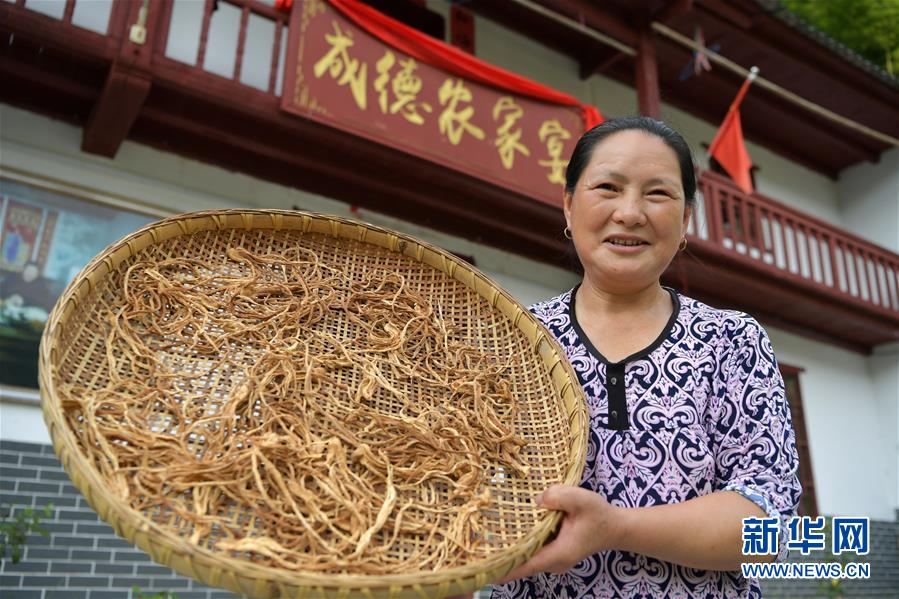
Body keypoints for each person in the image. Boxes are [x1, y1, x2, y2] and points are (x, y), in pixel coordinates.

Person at [487, 117, 802, 598]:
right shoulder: (515, 341)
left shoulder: (732, 341)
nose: (630, 213)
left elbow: (768, 526)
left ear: (686, 220)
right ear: (569, 205)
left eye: (658, 194)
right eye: (607, 188)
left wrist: (615, 527)